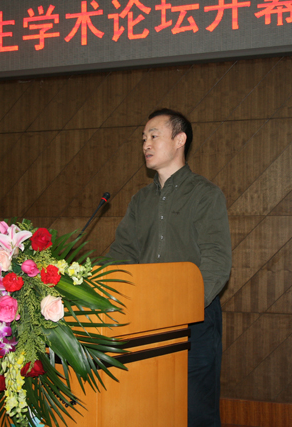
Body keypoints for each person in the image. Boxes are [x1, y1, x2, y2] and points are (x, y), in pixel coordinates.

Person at [106, 108, 232, 427]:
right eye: (143, 139)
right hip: (146, 318)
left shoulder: (205, 195)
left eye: (154, 136)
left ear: (179, 140)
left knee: (195, 410)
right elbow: (121, 254)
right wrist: (97, 288)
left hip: (195, 319)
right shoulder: (140, 201)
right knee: (152, 407)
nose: (146, 144)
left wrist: (185, 306)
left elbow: (217, 261)